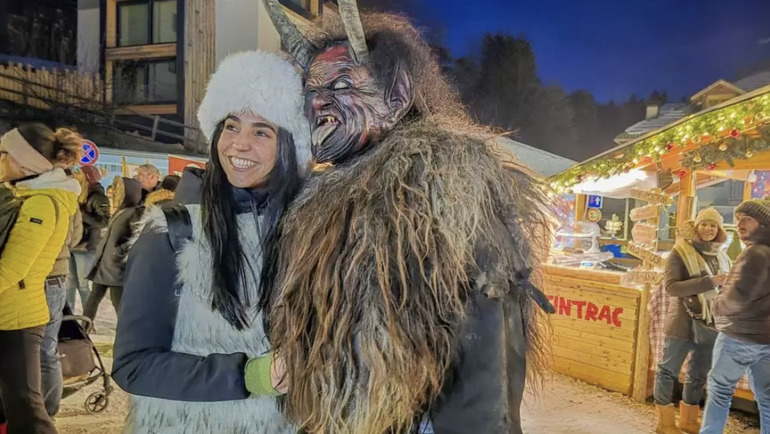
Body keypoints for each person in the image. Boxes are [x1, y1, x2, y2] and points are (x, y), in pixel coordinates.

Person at [260, 2, 552, 433]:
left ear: (396, 95)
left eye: (342, 85)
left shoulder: (449, 191)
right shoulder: (319, 198)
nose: (317, 101)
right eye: (310, 90)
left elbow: (487, 361)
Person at [111, 50, 310, 433]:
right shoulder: (172, 231)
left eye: (261, 131)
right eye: (231, 126)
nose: (239, 144)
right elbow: (133, 365)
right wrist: (249, 376)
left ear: (290, 146)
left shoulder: (309, 232)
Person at [0, 123, 83, 434]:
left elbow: (14, 266)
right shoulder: (25, 195)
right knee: (10, 403)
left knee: (27, 411)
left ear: (26, 162)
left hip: (18, 317)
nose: (0, 159)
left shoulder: (42, 203)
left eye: (5, 154)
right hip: (10, 310)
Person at [653, 208, 731, 434]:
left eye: (713, 225)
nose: (708, 229)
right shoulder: (679, 252)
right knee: (668, 370)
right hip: (682, 323)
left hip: (711, 323)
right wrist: (710, 281)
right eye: (704, 224)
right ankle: (665, 423)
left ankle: (688, 420)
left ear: (719, 230)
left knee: (698, 373)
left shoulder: (721, 255)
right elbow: (672, 287)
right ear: (696, 226)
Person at [700, 198, 770, 434]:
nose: (740, 223)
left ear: (762, 223)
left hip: (740, 335)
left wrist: (717, 303)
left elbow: (736, 299)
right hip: (767, 339)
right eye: (738, 219)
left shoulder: (754, 254)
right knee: (767, 397)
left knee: (720, 390)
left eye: (747, 219)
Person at [83, 176, 142, 321]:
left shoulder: (134, 212)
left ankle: (125, 332)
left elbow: (137, 238)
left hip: (116, 267)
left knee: (118, 303)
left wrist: (119, 251)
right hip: (104, 263)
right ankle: (85, 325)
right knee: (94, 297)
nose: (115, 193)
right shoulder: (121, 211)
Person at [67, 166, 110, 313]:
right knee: (69, 284)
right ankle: (69, 317)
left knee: (83, 285)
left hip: (86, 245)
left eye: (79, 174)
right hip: (72, 243)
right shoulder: (77, 193)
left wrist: (82, 215)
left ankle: (87, 318)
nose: (75, 176)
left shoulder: (98, 196)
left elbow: (104, 221)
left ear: (87, 177)